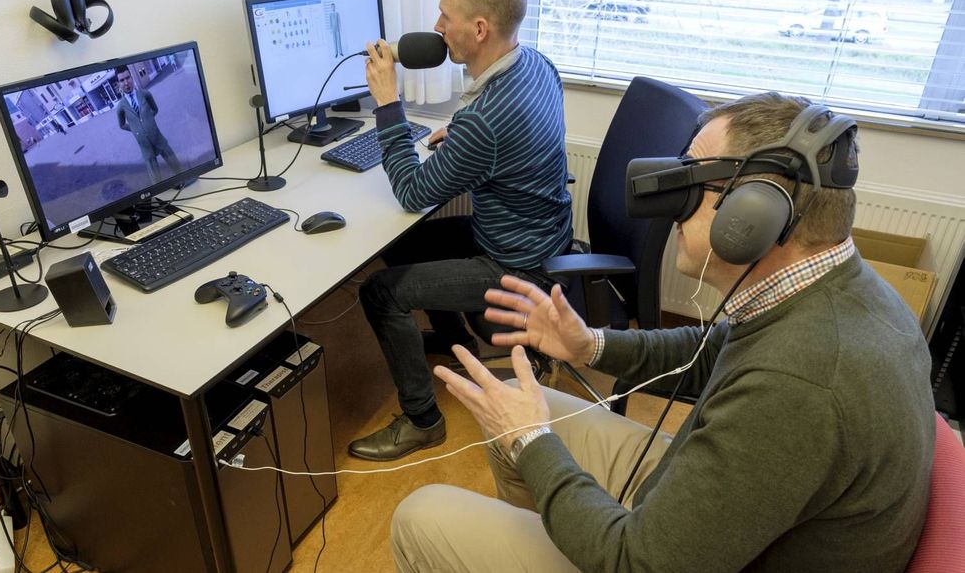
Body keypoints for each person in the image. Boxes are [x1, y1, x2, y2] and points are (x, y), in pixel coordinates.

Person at [390, 93, 935, 572]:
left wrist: (534, 441)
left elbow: (639, 563)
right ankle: (555, 537)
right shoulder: (835, 286)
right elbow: (709, 353)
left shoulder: (799, 387)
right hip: (715, 523)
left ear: (756, 213)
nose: (670, 206)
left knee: (419, 516)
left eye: (690, 182)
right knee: (514, 401)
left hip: (654, 557)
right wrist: (590, 345)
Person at [349, 0, 573, 462]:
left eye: (445, 16)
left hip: (515, 266)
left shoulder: (486, 122)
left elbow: (409, 191)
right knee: (407, 243)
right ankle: (453, 342)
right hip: (541, 233)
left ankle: (423, 421)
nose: (436, 27)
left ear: (479, 28)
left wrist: (388, 102)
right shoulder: (534, 62)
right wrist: (467, 141)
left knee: (379, 292)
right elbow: (514, 139)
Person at [115, 65, 182, 184]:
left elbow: (155, 110)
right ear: (119, 83)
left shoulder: (145, 94)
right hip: (145, 147)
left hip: (157, 137)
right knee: (156, 179)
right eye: (122, 80)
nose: (126, 83)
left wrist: (148, 122)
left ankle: (183, 178)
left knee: (176, 165)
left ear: (131, 76)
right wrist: (136, 128)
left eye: (127, 78)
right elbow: (121, 125)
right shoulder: (121, 106)